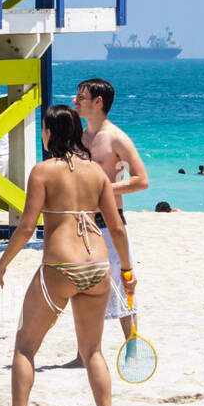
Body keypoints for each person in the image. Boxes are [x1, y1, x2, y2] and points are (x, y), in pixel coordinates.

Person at [0, 105, 133, 406]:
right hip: (97, 266)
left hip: (60, 266)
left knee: (25, 346)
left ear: (50, 132)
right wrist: (126, 271)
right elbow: (118, 229)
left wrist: (1, 265)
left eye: (43, 128)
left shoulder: (42, 171)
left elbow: (26, 228)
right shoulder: (97, 172)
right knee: (93, 351)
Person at [60, 77, 148, 369]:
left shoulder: (116, 138)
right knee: (80, 287)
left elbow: (141, 180)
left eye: (81, 97)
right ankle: (83, 353)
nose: (75, 101)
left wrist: (105, 189)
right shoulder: (79, 138)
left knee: (122, 287)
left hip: (110, 223)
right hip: (81, 224)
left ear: (98, 102)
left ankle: (133, 350)